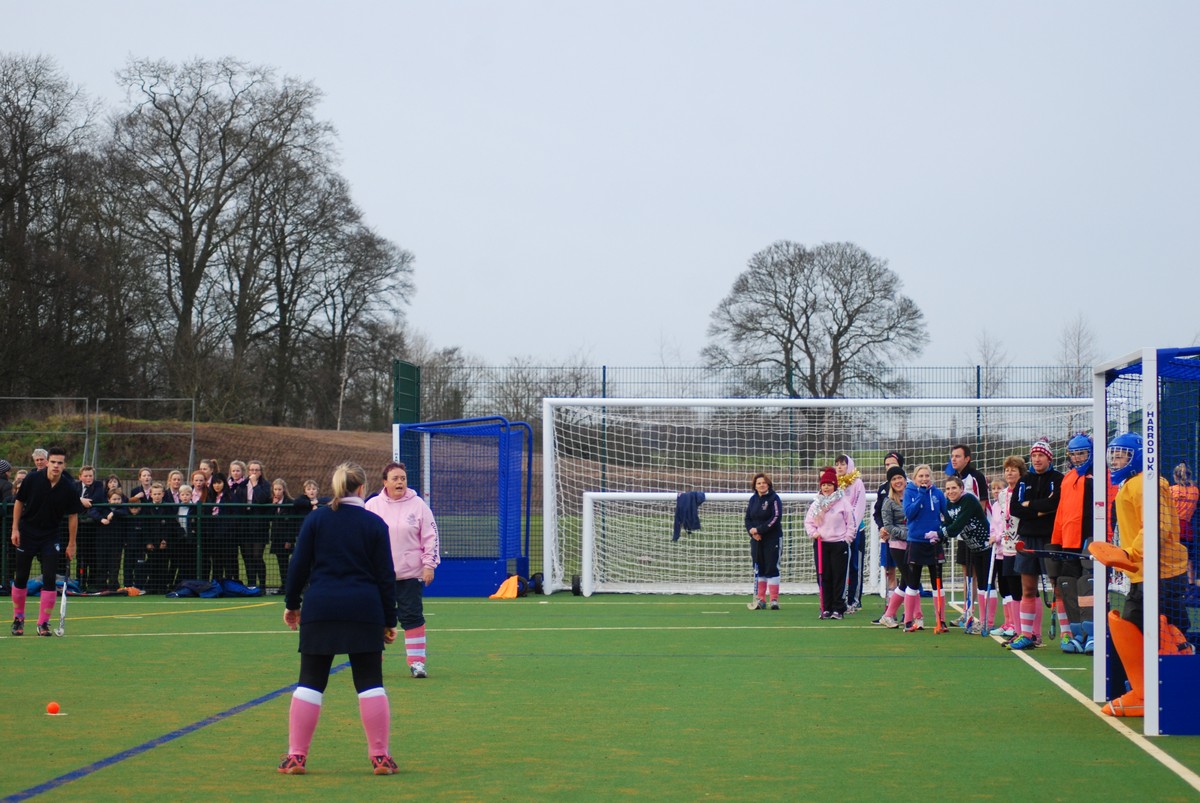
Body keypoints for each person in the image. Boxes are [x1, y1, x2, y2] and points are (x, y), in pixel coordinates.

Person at [280, 462, 398, 776]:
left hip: (321, 608)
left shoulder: (316, 519)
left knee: (310, 683)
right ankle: (380, 757)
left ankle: (296, 757)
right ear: (362, 488)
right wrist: (390, 620)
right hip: (364, 610)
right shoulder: (375, 524)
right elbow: (386, 577)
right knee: (370, 684)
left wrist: (292, 605)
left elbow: (298, 566)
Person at [1098, 432, 1193, 717]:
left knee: (1155, 631)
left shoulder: (1144, 484)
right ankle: (1150, 691)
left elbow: (1156, 527)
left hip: (1161, 573)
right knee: (1155, 629)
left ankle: (1155, 694)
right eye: (1113, 455)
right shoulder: (1133, 484)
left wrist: (1130, 553)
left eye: (1122, 455)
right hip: (1146, 573)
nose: (1116, 460)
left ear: (1137, 457)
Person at [365, 462, 441, 679]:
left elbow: (431, 536)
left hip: (410, 574)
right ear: (385, 482)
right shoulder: (372, 506)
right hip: (378, 575)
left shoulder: (419, 505)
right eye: (395, 478)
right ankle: (372, 661)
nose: (400, 482)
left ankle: (417, 663)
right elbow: (361, 538)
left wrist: (429, 565)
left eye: (403, 478)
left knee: (412, 616)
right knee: (374, 617)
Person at [9, 447, 84, 636]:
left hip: (51, 536)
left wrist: (72, 543)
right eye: (53, 462)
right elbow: (19, 502)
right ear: (47, 462)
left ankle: (43, 623)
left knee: (50, 578)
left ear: (64, 465)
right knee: (21, 577)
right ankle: (18, 619)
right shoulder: (32, 479)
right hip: (27, 533)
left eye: (60, 463)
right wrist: (15, 529)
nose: (56, 466)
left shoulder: (69, 487)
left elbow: (73, 516)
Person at [1006, 438, 1063, 651]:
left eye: (1041, 455)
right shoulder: (1024, 480)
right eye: (1034, 456)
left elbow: (1055, 503)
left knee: (1058, 587)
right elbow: (1015, 509)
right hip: (1027, 538)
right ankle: (1027, 635)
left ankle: (1066, 635)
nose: (1037, 459)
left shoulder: (1058, 479)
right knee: (1028, 588)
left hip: (1050, 539)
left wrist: (1030, 505)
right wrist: (1040, 511)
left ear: (1049, 458)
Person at [1050, 434, 1095, 653]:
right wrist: (1056, 542)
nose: (1077, 458)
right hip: (1068, 542)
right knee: (1068, 584)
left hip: (1090, 541)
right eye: (1074, 454)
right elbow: (1061, 513)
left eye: (1082, 453)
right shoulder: (1068, 478)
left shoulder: (1098, 478)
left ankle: (1093, 633)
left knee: (1088, 586)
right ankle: (1077, 633)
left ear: (1091, 453)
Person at [941, 476, 993, 634]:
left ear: (961, 489)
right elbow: (948, 523)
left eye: (954, 488)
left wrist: (940, 533)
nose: (950, 491)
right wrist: (939, 531)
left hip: (987, 546)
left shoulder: (969, 500)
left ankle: (988, 622)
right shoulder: (949, 504)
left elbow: (957, 525)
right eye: (948, 489)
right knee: (980, 584)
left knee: (988, 584)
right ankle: (982, 621)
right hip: (974, 548)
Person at [901, 464, 948, 633]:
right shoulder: (910, 492)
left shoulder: (938, 493)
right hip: (916, 542)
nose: (924, 479)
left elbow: (946, 514)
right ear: (915, 478)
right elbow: (909, 513)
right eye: (920, 476)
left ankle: (941, 620)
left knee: (938, 583)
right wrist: (921, 494)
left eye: (927, 476)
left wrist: (942, 532)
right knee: (913, 583)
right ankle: (908, 620)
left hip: (934, 543)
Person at [805, 466, 856, 620]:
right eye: (824, 485)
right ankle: (826, 607)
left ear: (835, 486)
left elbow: (851, 524)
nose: (826, 488)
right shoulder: (816, 504)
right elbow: (809, 522)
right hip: (821, 544)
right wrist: (814, 533)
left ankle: (838, 608)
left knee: (838, 577)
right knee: (824, 576)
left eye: (829, 485)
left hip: (839, 544)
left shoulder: (843, 502)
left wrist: (846, 540)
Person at [948, 444, 989, 628]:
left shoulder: (976, 477)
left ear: (967, 458)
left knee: (980, 573)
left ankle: (984, 616)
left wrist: (972, 524)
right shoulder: (954, 479)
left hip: (978, 534)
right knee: (966, 572)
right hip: (962, 534)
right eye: (952, 456)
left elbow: (982, 505)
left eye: (958, 456)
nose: (954, 459)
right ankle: (967, 611)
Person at [988, 462, 1024, 638]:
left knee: (1016, 587)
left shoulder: (1019, 494)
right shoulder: (996, 504)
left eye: (998, 488)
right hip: (1000, 550)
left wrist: (1000, 537)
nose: (996, 491)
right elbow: (997, 524)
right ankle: (1009, 622)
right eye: (993, 489)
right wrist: (994, 536)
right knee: (1004, 586)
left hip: (1013, 546)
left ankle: (1019, 626)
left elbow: (1010, 524)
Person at [742, 472, 784, 611]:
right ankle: (760, 599)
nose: (761, 485)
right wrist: (752, 532)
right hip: (756, 539)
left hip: (772, 538)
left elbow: (775, 518)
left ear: (768, 484)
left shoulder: (774, 498)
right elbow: (747, 518)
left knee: (771, 567)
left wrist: (759, 530)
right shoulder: (753, 499)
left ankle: (774, 599)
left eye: (764, 483)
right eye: (759, 483)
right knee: (759, 567)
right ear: (755, 486)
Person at [874, 465, 909, 628]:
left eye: (899, 477)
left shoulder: (913, 496)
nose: (897, 481)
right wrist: (906, 534)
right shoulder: (887, 500)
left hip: (914, 543)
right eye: (893, 479)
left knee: (910, 580)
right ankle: (891, 614)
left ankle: (908, 615)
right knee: (907, 578)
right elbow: (886, 523)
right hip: (897, 542)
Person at [834, 455, 867, 613]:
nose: (840, 467)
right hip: (839, 531)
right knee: (841, 565)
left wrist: (851, 525)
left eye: (843, 464)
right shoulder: (834, 484)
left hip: (855, 529)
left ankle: (854, 600)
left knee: (855, 565)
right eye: (837, 464)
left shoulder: (857, 482)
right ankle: (840, 599)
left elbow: (859, 506)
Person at [872, 451, 904, 596]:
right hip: (888, 536)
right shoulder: (883, 488)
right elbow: (877, 512)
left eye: (893, 464)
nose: (889, 466)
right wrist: (882, 527)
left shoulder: (910, 487)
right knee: (889, 570)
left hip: (905, 536)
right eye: (886, 464)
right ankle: (892, 604)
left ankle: (909, 606)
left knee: (907, 571)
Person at [1170, 463, 1199, 586]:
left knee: (1171, 556)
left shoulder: (1171, 490)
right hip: (1187, 528)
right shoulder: (1195, 491)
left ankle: (1174, 583)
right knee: (1189, 558)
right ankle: (1191, 585)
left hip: (1173, 526)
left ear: (1175, 476)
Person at [268, 478, 296, 592]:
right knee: (281, 563)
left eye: (279, 489)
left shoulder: (290, 502)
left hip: (286, 538)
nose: (277, 492)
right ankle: (284, 585)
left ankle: (291, 586)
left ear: (284, 489)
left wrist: (289, 540)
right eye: (275, 489)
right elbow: (269, 518)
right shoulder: (273, 503)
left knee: (288, 563)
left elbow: (292, 524)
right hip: (276, 537)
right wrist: (273, 505)